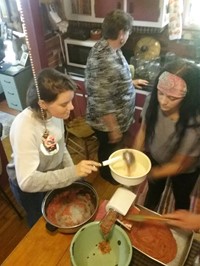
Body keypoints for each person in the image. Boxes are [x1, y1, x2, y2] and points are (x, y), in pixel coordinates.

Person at [7, 68, 100, 227]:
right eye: (64, 103)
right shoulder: (24, 128)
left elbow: (61, 146)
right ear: (43, 104)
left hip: (49, 174)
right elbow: (27, 181)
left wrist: (73, 174)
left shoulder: (55, 115)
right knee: (39, 223)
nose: (71, 108)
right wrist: (72, 172)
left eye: (71, 100)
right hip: (29, 185)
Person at [85, 9, 148, 184]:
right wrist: (113, 128)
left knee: (113, 149)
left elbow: (110, 81)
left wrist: (129, 82)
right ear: (121, 34)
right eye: (128, 32)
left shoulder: (108, 46)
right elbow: (102, 100)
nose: (128, 35)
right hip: (107, 123)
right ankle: (108, 176)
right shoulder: (105, 60)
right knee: (109, 151)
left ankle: (111, 170)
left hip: (117, 117)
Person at [133, 59, 200, 211]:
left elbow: (180, 165)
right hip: (157, 156)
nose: (163, 101)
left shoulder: (195, 121)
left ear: (188, 97)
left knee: (181, 196)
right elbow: (143, 131)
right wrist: (135, 157)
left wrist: (149, 174)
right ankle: (149, 210)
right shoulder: (152, 101)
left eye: (172, 98)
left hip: (185, 170)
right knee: (153, 192)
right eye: (160, 93)